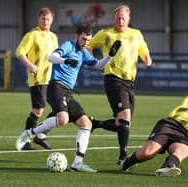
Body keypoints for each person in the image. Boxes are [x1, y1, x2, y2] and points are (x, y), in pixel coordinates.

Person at [16, 25, 121, 172]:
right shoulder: (68, 45)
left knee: (86, 124)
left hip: (67, 92)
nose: (85, 42)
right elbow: (51, 57)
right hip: (55, 87)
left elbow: (98, 65)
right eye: (83, 39)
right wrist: (65, 60)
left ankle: (77, 163)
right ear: (76, 36)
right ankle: (29, 133)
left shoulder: (84, 52)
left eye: (88, 40)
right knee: (63, 119)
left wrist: (110, 55)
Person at [86, 4, 152, 165]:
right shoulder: (106, 33)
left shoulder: (136, 34)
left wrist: (147, 58)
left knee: (123, 123)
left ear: (129, 19)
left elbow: (143, 50)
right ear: (113, 19)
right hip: (113, 79)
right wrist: (93, 61)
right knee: (125, 116)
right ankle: (123, 156)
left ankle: (96, 123)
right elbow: (88, 46)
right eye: (118, 17)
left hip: (129, 82)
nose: (120, 20)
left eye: (123, 18)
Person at [15, 7, 58, 150]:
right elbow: (20, 52)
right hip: (38, 79)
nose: (45, 21)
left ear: (52, 20)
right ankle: (25, 141)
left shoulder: (53, 37)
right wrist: (30, 65)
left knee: (61, 109)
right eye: (43, 18)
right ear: (38, 19)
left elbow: (57, 57)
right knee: (38, 111)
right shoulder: (32, 35)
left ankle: (41, 134)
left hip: (53, 79)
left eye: (48, 19)